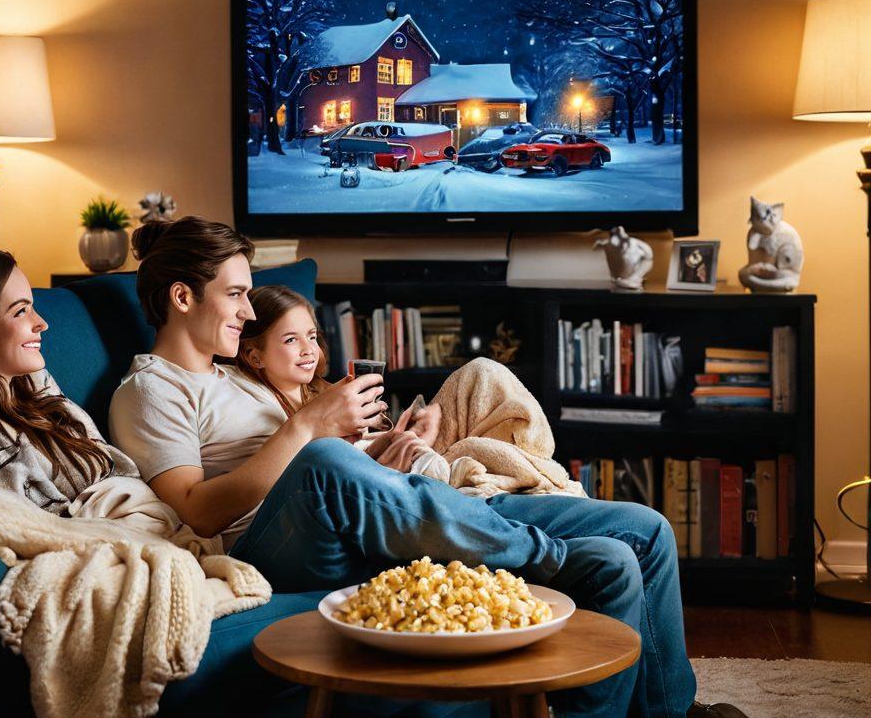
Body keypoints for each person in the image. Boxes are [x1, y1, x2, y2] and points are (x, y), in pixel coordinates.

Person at [109, 216, 744, 718]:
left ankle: (671, 711)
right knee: (328, 456)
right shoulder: (152, 391)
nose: (249, 311)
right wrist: (309, 427)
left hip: (360, 508)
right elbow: (196, 507)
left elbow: (338, 475)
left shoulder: (240, 375)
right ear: (182, 296)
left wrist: (389, 449)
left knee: (639, 536)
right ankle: (542, 553)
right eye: (237, 294)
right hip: (271, 544)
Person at [0, 247, 141, 517]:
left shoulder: (36, 391)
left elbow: (116, 468)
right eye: (20, 311)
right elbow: (46, 529)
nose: (42, 323)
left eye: (33, 308)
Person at [234, 284, 442, 475]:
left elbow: (357, 450)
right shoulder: (262, 408)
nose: (309, 350)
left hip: (370, 467)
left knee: (473, 373)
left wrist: (390, 440)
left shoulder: (326, 393)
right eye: (291, 340)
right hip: (348, 482)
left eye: (312, 336)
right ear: (256, 357)